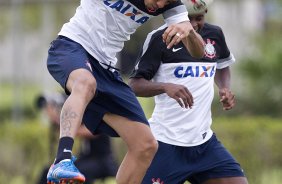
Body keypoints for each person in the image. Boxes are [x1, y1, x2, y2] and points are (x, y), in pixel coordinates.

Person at [45, 0, 205, 183]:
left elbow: (198, 52)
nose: (160, 6)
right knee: (85, 83)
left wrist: (188, 31)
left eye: (167, 2)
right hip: (71, 47)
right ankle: (62, 160)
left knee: (145, 145)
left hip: (105, 69)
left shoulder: (171, 5)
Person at [128, 0, 249, 183]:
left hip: (204, 144)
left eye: (198, 18)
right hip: (166, 143)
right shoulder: (158, 38)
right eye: (188, 19)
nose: (192, 25)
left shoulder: (214, 34)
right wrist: (165, 87)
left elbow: (222, 65)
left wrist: (224, 88)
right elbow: (134, 85)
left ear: (205, 12)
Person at [35, 93, 118, 184]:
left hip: (102, 160)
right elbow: (69, 126)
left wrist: (57, 121)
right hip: (86, 158)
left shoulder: (98, 113)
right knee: (48, 171)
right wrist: (55, 117)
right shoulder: (83, 116)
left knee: (81, 172)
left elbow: (87, 132)